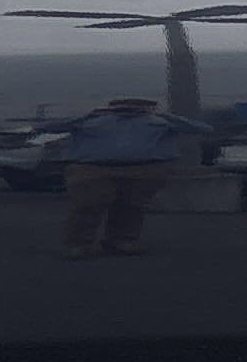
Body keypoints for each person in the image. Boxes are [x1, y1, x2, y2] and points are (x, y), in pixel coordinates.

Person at [53, 97, 200, 257]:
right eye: (124, 106)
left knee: (132, 205)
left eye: (136, 106)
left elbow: (201, 129)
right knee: (88, 204)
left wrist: (166, 115)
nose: (129, 109)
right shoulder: (91, 121)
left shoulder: (160, 122)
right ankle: (78, 244)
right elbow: (49, 128)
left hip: (143, 168)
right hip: (92, 168)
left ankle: (122, 241)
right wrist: (88, 115)